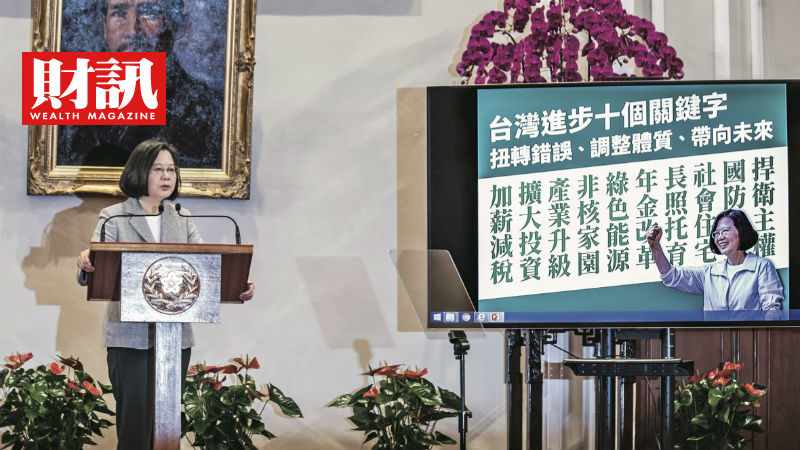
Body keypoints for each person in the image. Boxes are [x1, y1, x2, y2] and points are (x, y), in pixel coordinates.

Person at [76, 139, 254, 450]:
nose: (166, 176)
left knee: (167, 423)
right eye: (158, 169)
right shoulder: (114, 216)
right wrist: (86, 262)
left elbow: (204, 267)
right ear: (139, 171)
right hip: (129, 337)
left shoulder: (181, 217)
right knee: (135, 423)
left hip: (175, 337)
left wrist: (237, 284)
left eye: (171, 169)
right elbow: (96, 263)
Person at [58, 0, 223, 168]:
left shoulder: (209, 112)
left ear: (173, 24)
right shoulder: (68, 107)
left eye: (149, 12)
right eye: (119, 13)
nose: (133, 30)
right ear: (104, 26)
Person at [646, 208, 783, 311]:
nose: (720, 237)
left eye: (725, 231)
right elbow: (671, 276)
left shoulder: (762, 266)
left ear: (741, 231)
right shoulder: (710, 273)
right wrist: (655, 247)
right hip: (714, 340)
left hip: (749, 339)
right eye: (716, 233)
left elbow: (771, 311)